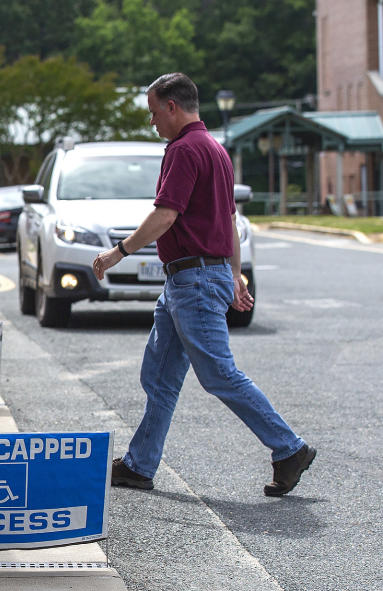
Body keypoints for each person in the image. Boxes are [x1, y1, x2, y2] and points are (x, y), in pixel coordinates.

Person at [92, 73, 315, 497]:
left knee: (218, 374)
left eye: (155, 113)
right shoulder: (215, 149)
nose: (153, 122)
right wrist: (233, 274)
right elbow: (227, 220)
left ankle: (289, 448)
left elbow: (165, 215)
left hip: (192, 280)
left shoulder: (184, 149)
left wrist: (117, 252)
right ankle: (139, 465)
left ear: (172, 107)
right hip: (189, 279)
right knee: (158, 374)